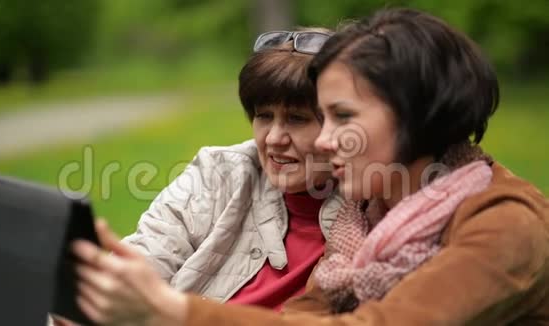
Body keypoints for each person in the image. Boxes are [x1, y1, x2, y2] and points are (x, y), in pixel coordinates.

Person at [70, 8, 549, 325]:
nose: (321, 139)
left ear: (417, 115)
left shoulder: (505, 222)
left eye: (340, 116)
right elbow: (303, 315)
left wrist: (171, 311)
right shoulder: (363, 216)